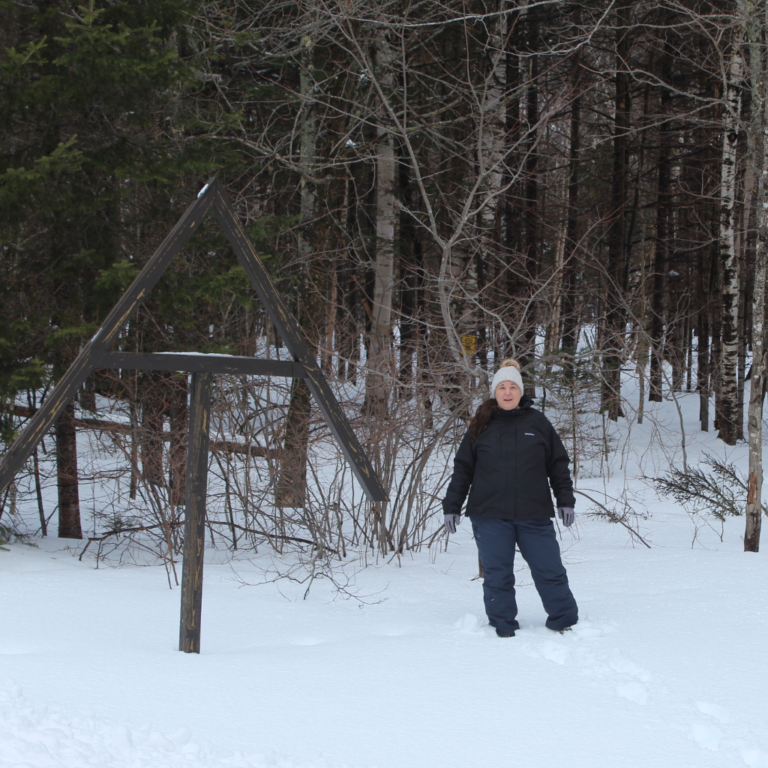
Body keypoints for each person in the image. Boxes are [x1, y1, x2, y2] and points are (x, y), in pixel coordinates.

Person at [442, 358, 578, 637]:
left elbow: (558, 464)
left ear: (520, 391)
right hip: (489, 515)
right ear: (495, 391)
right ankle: (502, 624)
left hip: (534, 514)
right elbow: (463, 468)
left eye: (512, 387)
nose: (507, 392)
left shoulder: (538, 422)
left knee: (549, 569)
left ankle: (564, 620)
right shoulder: (480, 424)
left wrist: (565, 499)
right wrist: (452, 505)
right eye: (502, 387)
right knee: (497, 575)